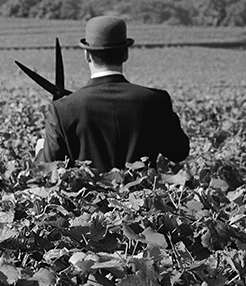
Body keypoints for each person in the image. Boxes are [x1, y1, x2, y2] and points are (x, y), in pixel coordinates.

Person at [39, 16, 189, 172]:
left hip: (85, 196)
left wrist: (40, 151)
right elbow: (179, 152)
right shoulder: (156, 101)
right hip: (142, 196)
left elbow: (48, 171)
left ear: (87, 55)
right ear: (125, 54)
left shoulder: (62, 109)